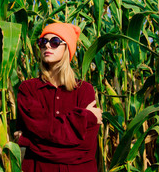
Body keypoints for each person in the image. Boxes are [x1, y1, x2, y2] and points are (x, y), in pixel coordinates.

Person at [15, 22, 102, 172]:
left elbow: (85, 150)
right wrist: (85, 117)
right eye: (43, 42)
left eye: (55, 42)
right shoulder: (28, 89)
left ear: (67, 48)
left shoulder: (84, 90)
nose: (47, 46)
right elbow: (74, 149)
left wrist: (30, 142)